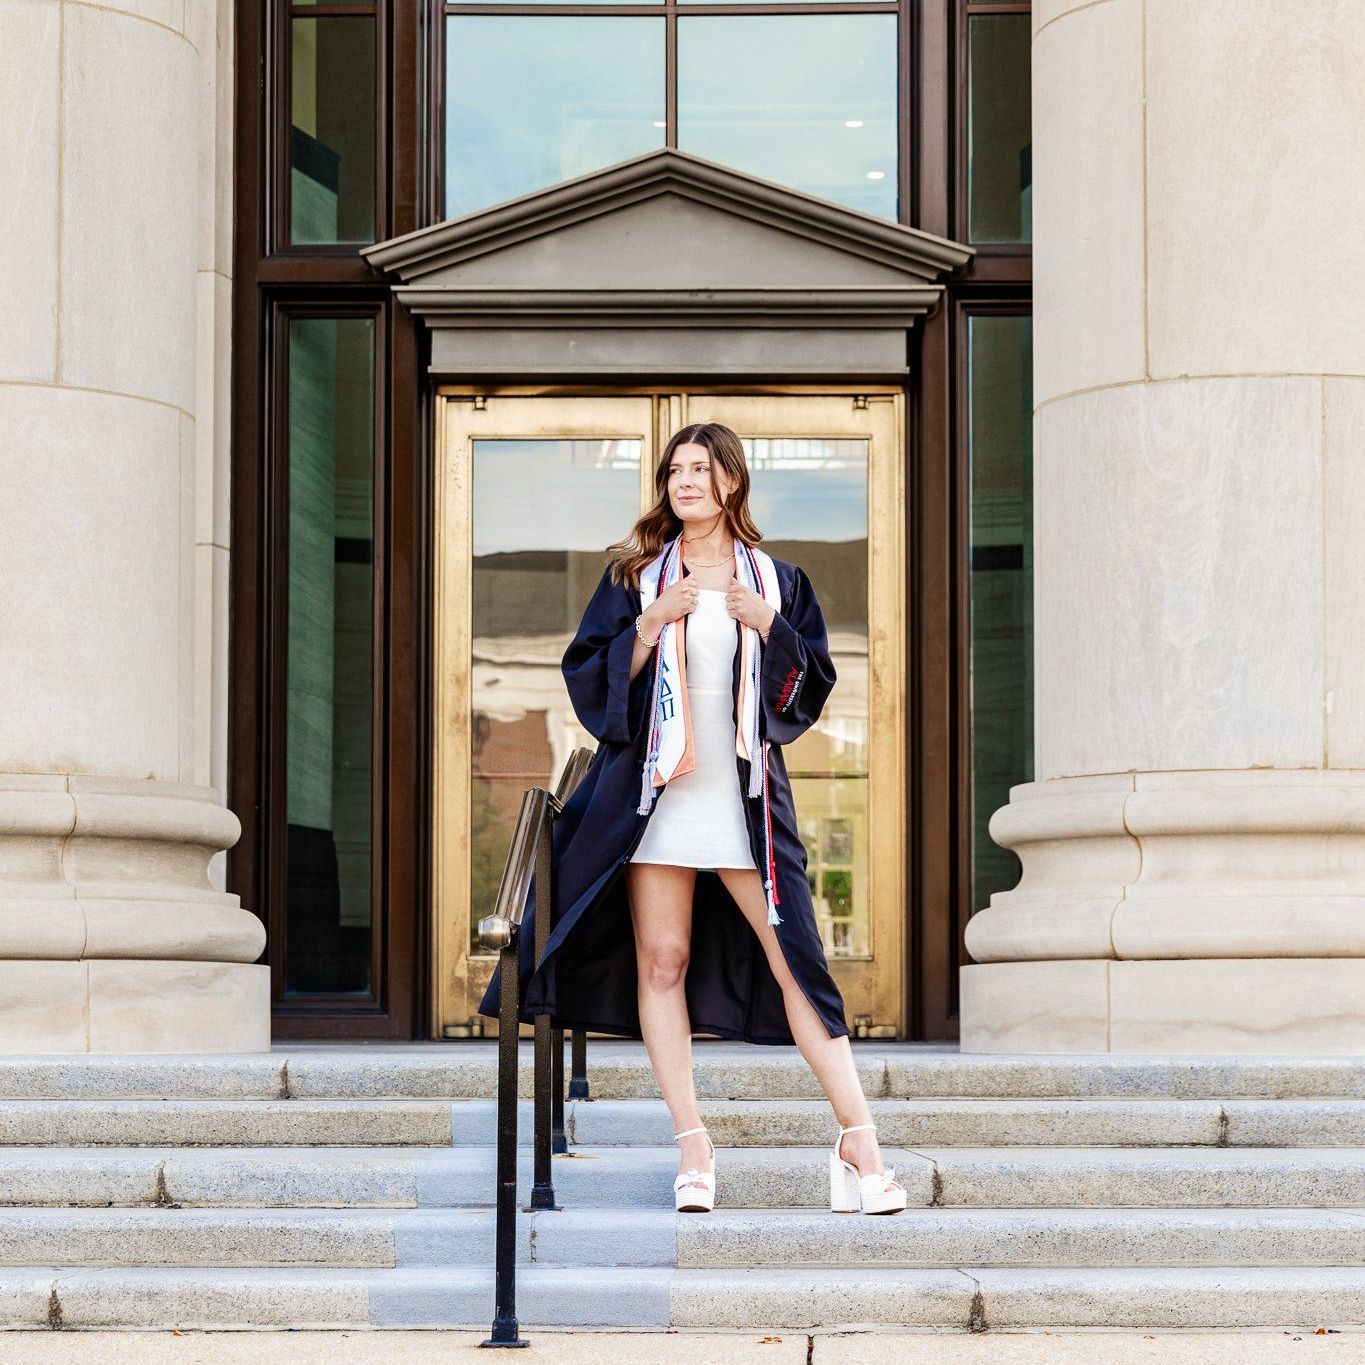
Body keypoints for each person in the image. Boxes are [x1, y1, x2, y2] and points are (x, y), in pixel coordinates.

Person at [478, 421, 906, 1217]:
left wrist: (767, 627)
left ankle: (859, 1141)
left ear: (731, 482)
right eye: (674, 470)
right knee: (662, 962)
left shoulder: (777, 582)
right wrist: (648, 623)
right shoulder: (636, 577)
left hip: (743, 803)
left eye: (701, 470)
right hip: (655, 800)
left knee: (796, 967)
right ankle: (693, 1145)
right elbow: (588, 681)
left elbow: (808, 688)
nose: (685, 483)